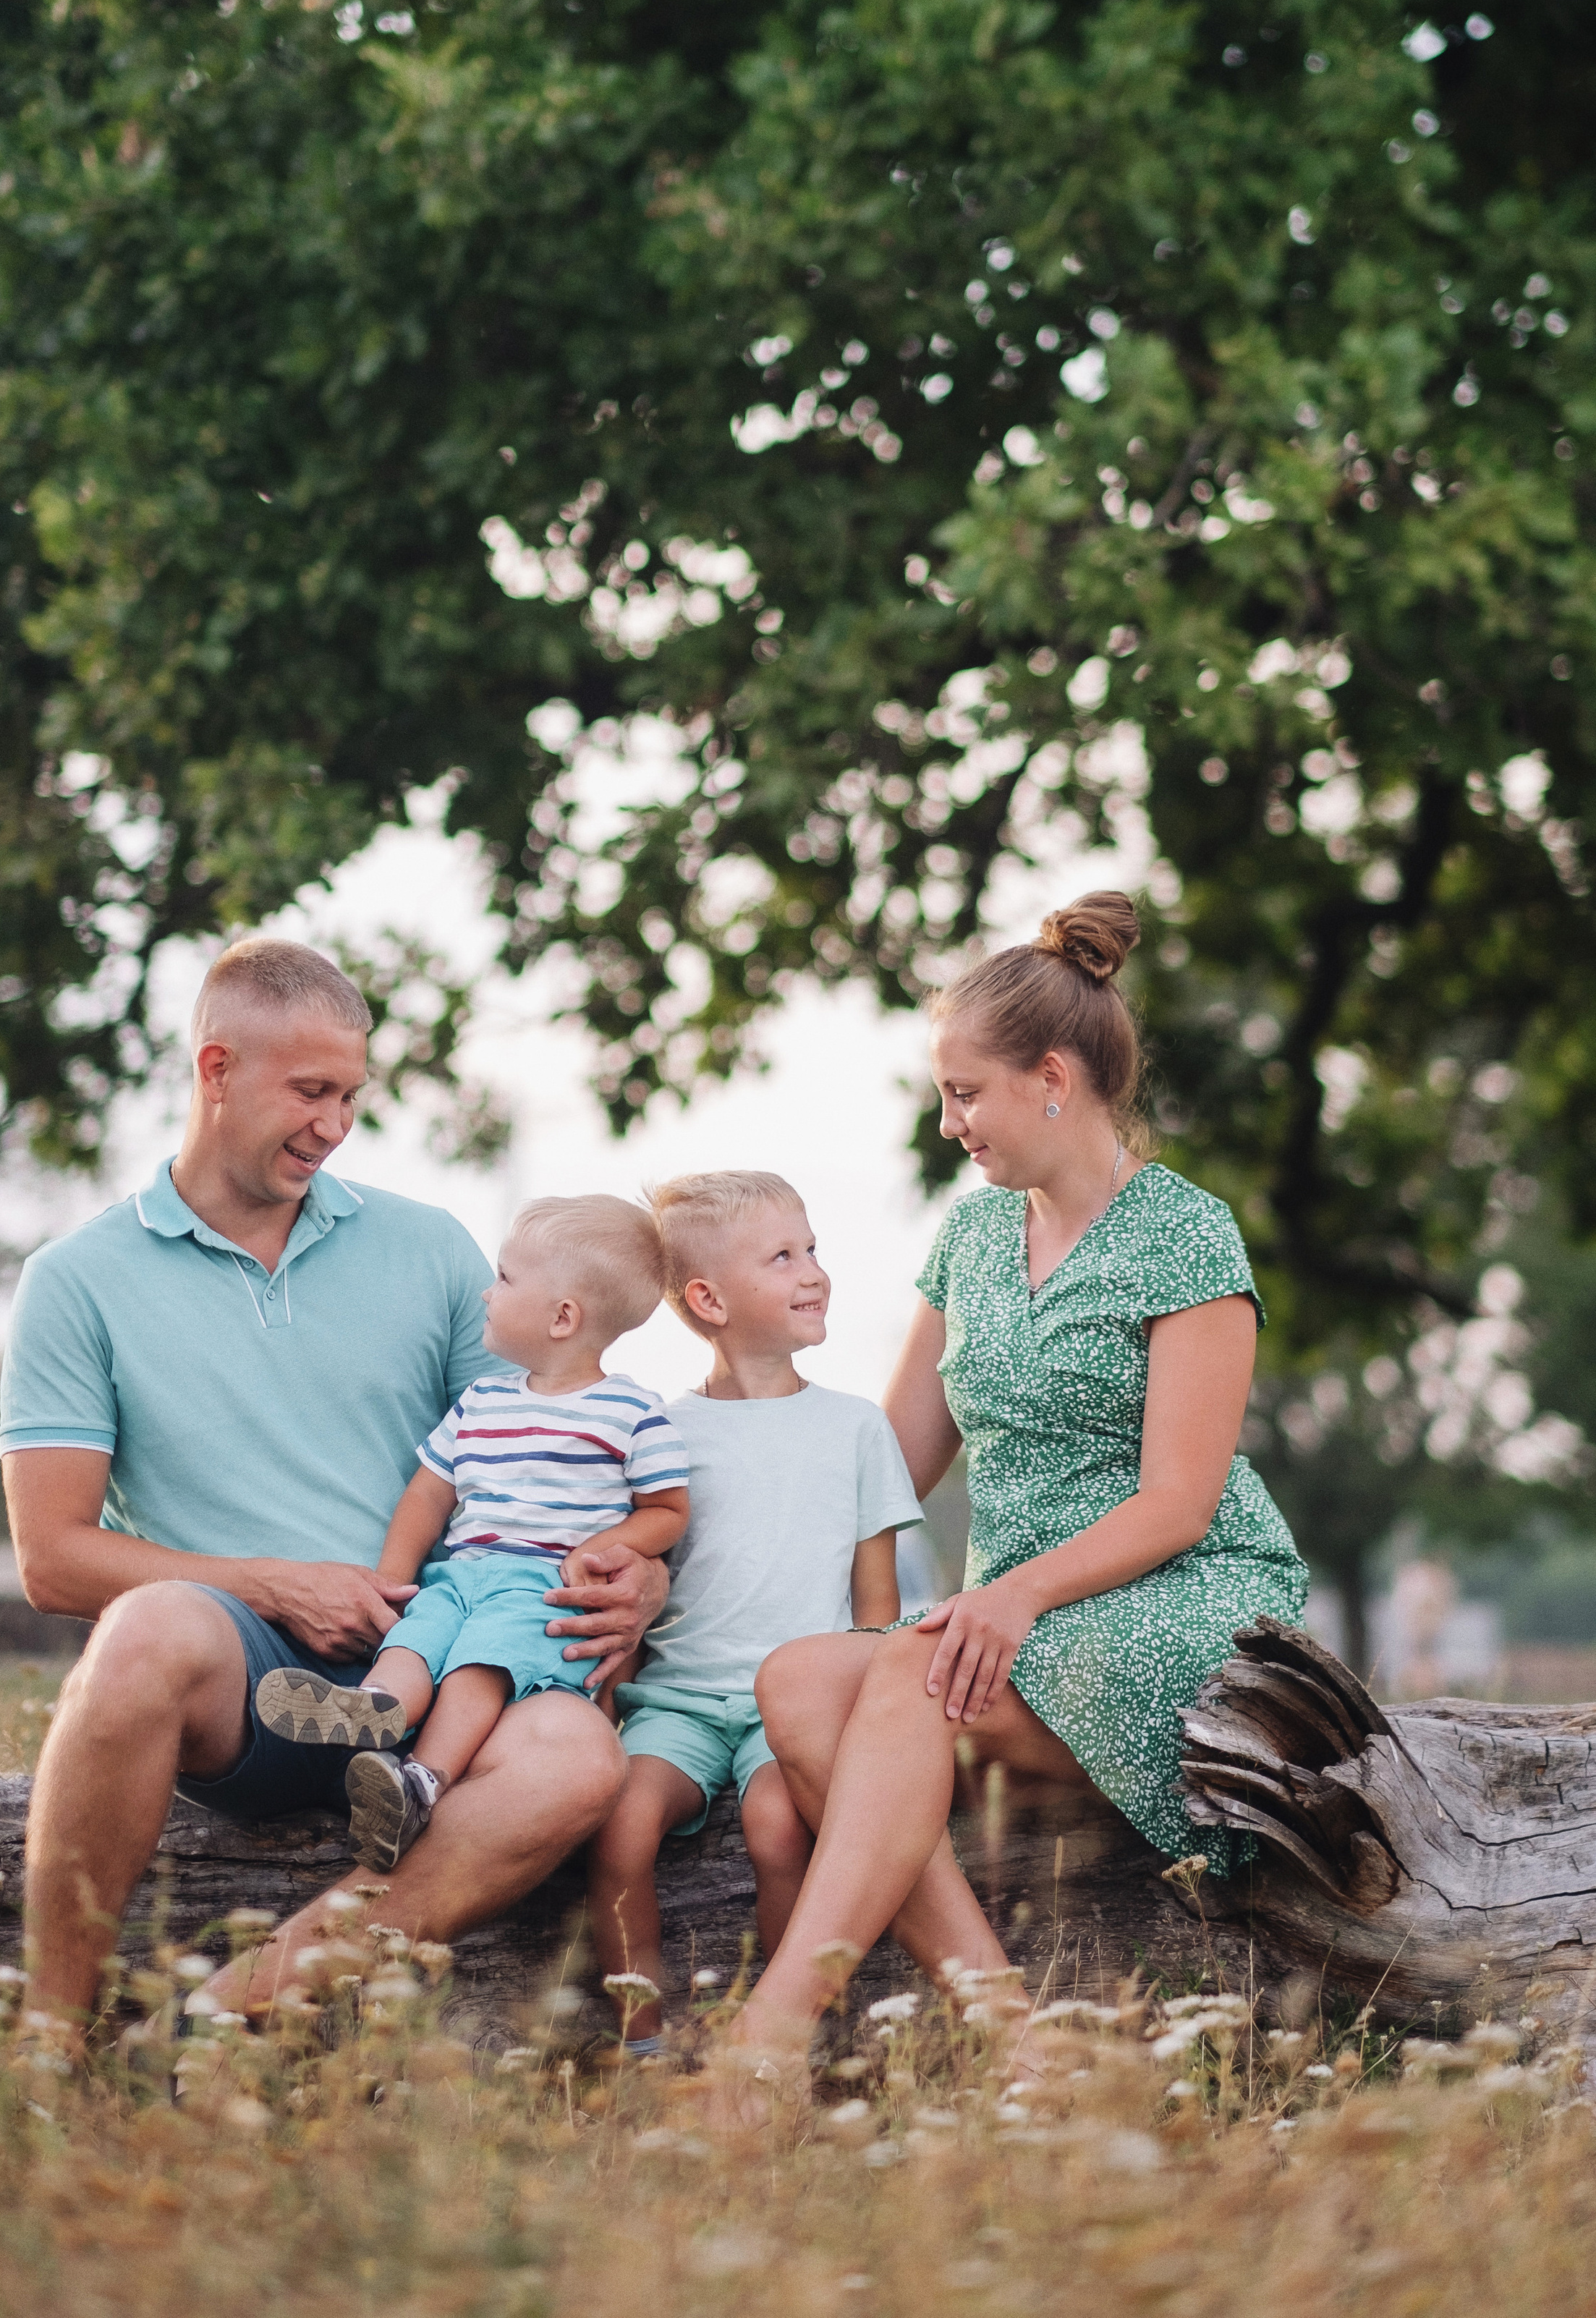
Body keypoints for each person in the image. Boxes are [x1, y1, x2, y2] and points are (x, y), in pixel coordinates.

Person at [0, 938, 666, 2034]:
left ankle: (215, 2021)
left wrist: (631, 1575)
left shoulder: (433, 1250)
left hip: (447, 1665)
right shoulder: (78, 1282)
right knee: (144, 1630)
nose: (335, 1124)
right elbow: (52, 1557)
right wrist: (272, 1588)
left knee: (577, 1760)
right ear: (216, 1071)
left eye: (351, 1095)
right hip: (245, 1685)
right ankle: (47, 2043)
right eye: (310, 1091)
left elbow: (549, 1453)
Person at [719, 890, 1308, 2097]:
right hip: (1014, 1621)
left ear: (1051, 1078)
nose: (950, 1124)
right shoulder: (972, 1237)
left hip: (1175, 1598)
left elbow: (1179, 1503)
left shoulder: (1189, 1238)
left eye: (964, 1092)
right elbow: (893, 1455)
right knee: (795, 1683)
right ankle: (1016, 2036)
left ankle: (771, 2030)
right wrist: (713, 1449)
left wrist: (1009, 1600)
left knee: (897, 1676)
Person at [251, 1195, 690, 1873]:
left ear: (563, 1317)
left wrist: (601, 1551)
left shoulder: (631, 1412)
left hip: (543, 1593)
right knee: (416, 1640)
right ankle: (371, 1710)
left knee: (478, 1665)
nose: (488, 1291)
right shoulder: (483, 1402)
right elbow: (430, 1492)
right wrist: (392, 1584)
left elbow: (668, 1510)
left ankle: (421, 1781)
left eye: (507, 1279)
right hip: (459, 1573)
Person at [586, 1171, 922, 2046]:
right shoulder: (660, 1433)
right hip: (679, 1706)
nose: (813, 1271)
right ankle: (643, 2040)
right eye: (783, 1257)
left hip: (792, 1720)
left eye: (811, 1249)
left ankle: (790, 2042)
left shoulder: (856, 1427)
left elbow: (876, 1608)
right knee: (621, 1822)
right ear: (708, 1298)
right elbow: (632, 1591)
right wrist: (606, 1702)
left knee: (777, 1827)